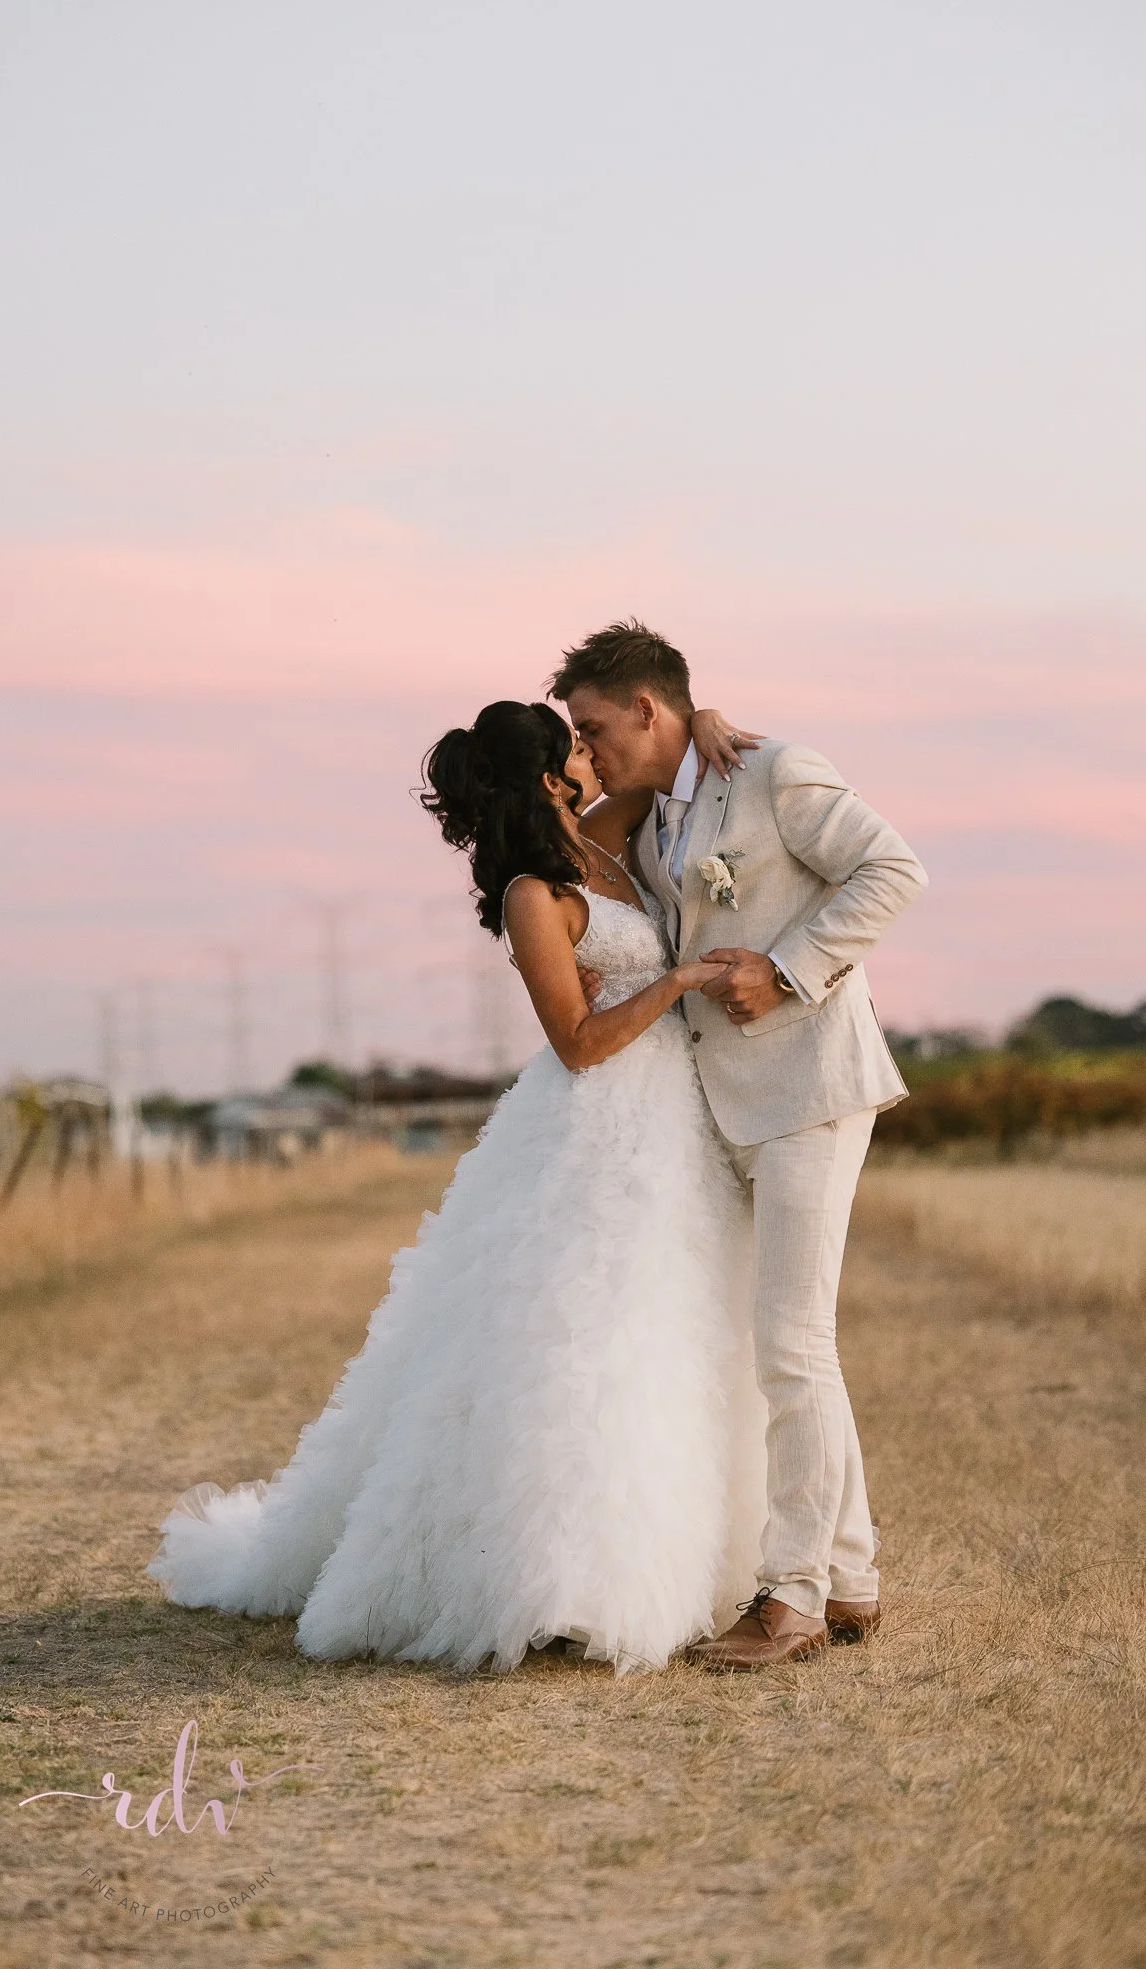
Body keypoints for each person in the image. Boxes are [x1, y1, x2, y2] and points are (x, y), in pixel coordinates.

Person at [147, 697, 773, 1675]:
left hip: (669, 1129)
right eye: (573, 743)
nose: (589, 749)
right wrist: (677, 981)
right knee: (574, 1344)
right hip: (592, 1128)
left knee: (664, 1328)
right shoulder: (535, 890)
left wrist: (701, 721)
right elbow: (576, 1042)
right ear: (546, 776)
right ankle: (553, 1580)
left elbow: (653, 781)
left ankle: (684, 1555)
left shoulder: (603, 846)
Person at [550, 620, 927, 1668]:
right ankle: (850, 1578)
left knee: (789, 1345)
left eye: (593, 727)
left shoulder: (774, 773)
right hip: (722, 1105)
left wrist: (786, 966)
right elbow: (571, 820)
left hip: (809, 1083)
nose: (586, 749)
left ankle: (792, 1596)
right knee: (798, 1343)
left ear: (643, 707)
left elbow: (890, 870)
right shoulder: (660, 801)